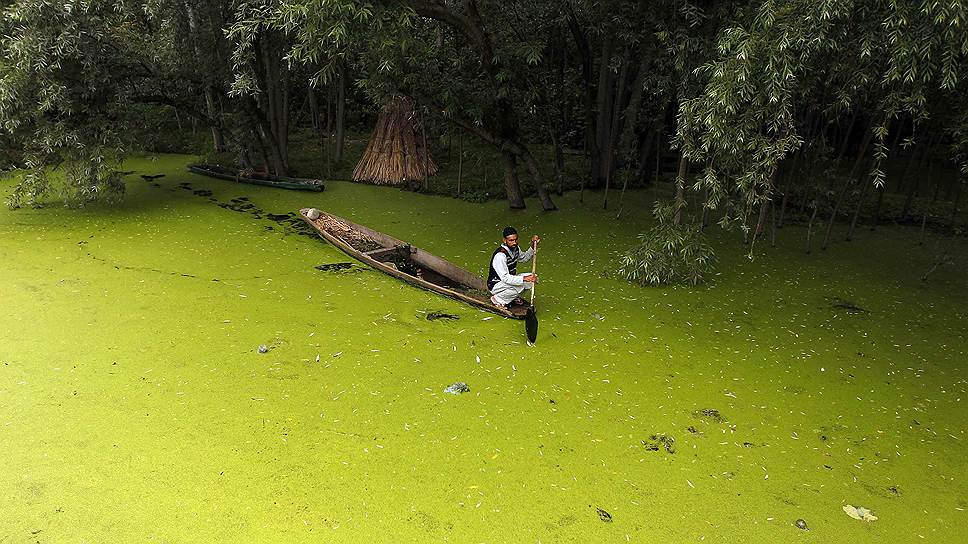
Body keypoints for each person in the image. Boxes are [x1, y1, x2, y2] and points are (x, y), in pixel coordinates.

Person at [487, 226, 540, 309]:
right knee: (523, 284)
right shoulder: (500, 256)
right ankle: (497, 299)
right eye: (511, 240)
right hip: (497, 284)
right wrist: (524, 279)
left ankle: (511, 296)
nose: (514, 242)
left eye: (515, 239)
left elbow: (524, 258)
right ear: (504, 240)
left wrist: (533, 246)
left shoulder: (515, 248)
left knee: (533, 278)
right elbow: (505, 278)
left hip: (508, 282)